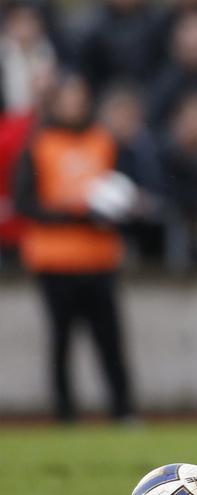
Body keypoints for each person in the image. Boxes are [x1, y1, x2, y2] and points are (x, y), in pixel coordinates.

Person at [11, 73, 136, 423]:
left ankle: (123, 411)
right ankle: (65, 413)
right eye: (68, 97)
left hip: (99, 259)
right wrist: (77, 214)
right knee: (62, 340)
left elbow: (125, 189)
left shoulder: (104, 140)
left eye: (80, 97)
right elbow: (25, 203)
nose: (74, 104)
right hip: (55, 260)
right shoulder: (39, 144)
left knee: (110, 340)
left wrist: (117, 210)